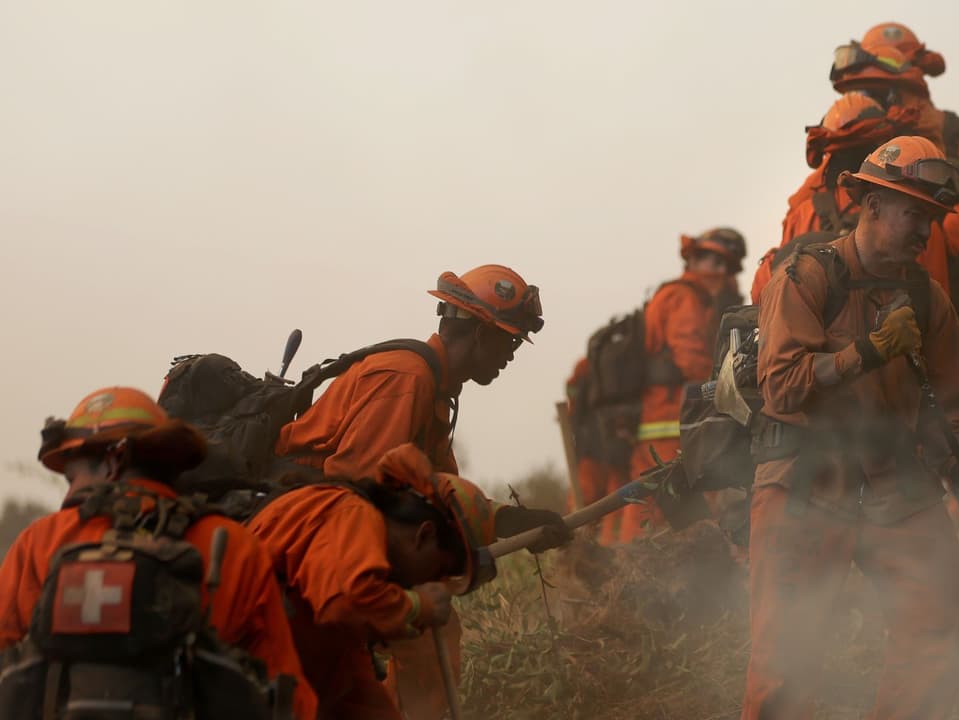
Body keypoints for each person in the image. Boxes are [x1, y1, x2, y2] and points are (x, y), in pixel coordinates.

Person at [744, 137, 959, 719]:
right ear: (873, 205)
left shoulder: (927, 299)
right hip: (806, 482)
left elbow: (953, 407)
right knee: (785, 662)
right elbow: (781, 387)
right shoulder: (804, 278)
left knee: (941, 626)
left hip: (893, 484)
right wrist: (867, 352)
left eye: (932, 220)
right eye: (914, 213)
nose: (924, 232)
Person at [272, 264, 570, 718]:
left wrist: (509, 520)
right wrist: (408, 587)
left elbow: (440, 491)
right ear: (476, 333)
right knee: (428, 631)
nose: (510, 355)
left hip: (327, 536)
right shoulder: (407, 378)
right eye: (508, 340)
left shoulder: (433, 388)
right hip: (310, 541)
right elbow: (360, 490)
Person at [0, 387, 316, 719]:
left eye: (72, 477)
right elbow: (288, 697)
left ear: (112, 462)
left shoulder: (42, 541)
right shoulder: (232, 545)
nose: (70, 493)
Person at [247, 443, 498, 720]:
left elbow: (359, 701)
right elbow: (347, 602)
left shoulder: (343, 647)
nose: (435, 583)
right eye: (440, 569)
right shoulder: (351, 514)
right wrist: (419, 606)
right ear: (424, 535)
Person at [830, 27, 959, 337]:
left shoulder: (952, 140)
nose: (861, 97)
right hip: (931, 315)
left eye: (868, 88)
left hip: (924, 310)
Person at [619, 228, 746, 542]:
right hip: (668, 420)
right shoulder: (685, 298)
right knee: (659, 503)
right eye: (711, 261)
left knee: (658, 504)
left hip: (665, 416)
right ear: (693, 261)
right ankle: (632, 574)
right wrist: (730, 384)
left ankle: (634, 573)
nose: (719, 272)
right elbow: (691, 358)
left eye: (725, 266)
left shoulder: (685, 296)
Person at [750, 91, 919, 303]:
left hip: (809, 323)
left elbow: (772, 290)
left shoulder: (802, 211)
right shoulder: (906, 211)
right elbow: (927, 291)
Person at [565, 357, 626, 543]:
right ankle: (588, 551)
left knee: (587, 505)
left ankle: (584, 550)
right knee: (610, 504)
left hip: (591, 448)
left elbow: (572, 397)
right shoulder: (625, 357)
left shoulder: (588, 362)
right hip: (613, 448)